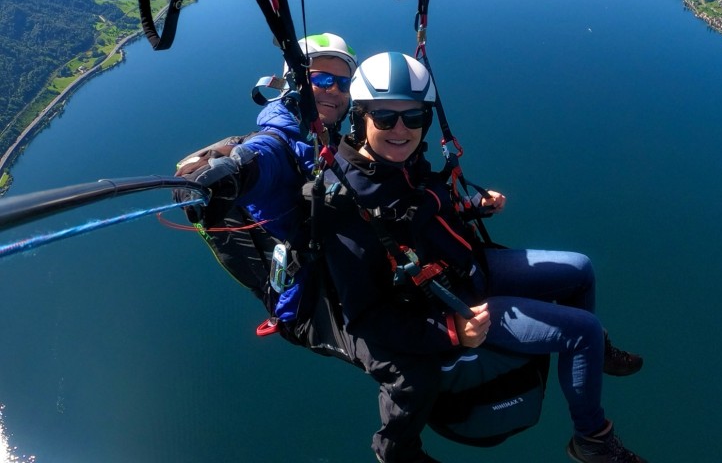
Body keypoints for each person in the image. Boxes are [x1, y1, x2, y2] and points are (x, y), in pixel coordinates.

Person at [323, 51, 647, 463]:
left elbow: (418, 218)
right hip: (454, 302)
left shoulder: (401, 162)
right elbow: (365, 319)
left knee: (580, 269)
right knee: (580, 330)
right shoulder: (347, 204)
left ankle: (593, 355)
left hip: (465, 269)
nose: (401, 130)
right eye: (385, 118)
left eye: (414, 117)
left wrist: (472, 206)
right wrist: (452, 331)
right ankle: (593, 440)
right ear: (361, 118)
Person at [176, 32, 357, 291]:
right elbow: (258, 157)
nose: (334, 90)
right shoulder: (279, 141)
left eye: (344, 83)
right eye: (322, 79)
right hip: (315, 294)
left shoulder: (324, 140)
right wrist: (227, 172)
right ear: (294, 85)